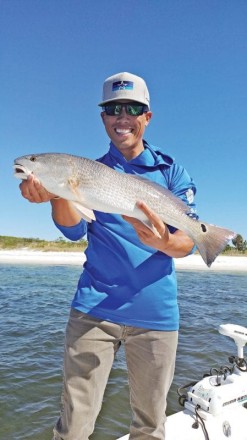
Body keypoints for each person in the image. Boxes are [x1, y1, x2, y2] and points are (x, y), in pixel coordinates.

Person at [19, 72, 197, 440]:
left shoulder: (172, 172)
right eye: (112, 109)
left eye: (132, 108)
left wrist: (163, 241)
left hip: (155, 315)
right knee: (74, 423)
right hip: (93, 310)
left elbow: (187, 243)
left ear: (147, 116)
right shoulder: (88, 171)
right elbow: (72, 230)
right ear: (103, 118)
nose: (122, 117)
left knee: (150, 424)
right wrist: (56, 194)